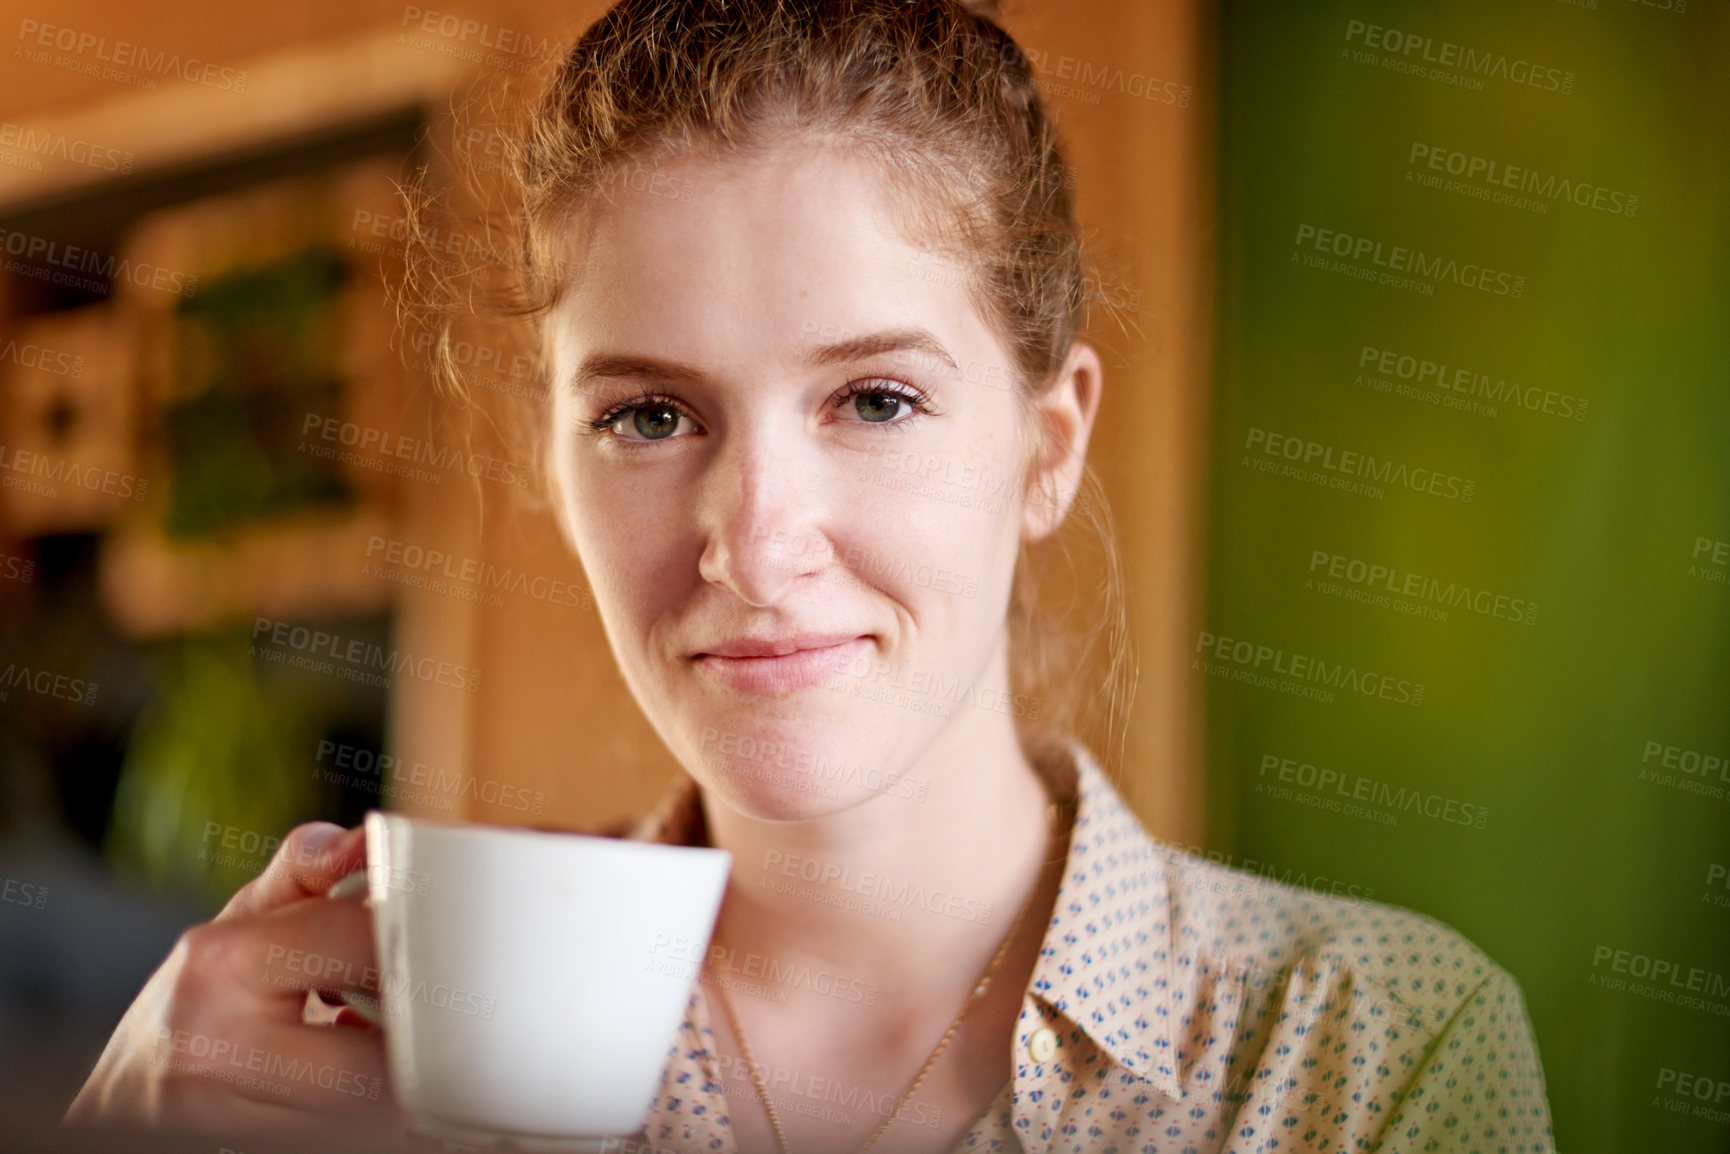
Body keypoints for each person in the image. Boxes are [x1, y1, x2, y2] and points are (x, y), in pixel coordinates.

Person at [66, 1, 1556, 1151]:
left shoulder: (1365, 1052)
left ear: (1048, 447)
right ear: (551, 459)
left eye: (875, 400)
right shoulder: (381, 1057)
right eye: (648, 415)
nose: (754, 541)